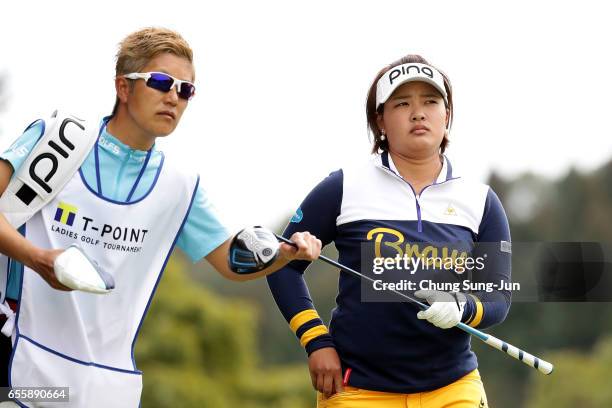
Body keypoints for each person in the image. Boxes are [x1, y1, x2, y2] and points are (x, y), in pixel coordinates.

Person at [0, 27, 321, 407]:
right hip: (23, 366)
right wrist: (37, 260)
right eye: (161, 82)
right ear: (123, 87)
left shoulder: (179, 187)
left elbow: (230, 263)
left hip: (109, 387)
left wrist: (286, 253)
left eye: (186, 90)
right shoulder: (59, 138)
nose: (174, 97)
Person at [267, 54, 512, 407]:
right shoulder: (343, 186)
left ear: (447, 117)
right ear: (380, 120)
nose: (418, 113)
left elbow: (497, 297)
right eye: (402, 103)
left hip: (452, 388)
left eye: (430, 102)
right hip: (358, 391)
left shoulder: (480, 200)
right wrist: (316, 341)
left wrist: (461, 308)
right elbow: (282, 266)